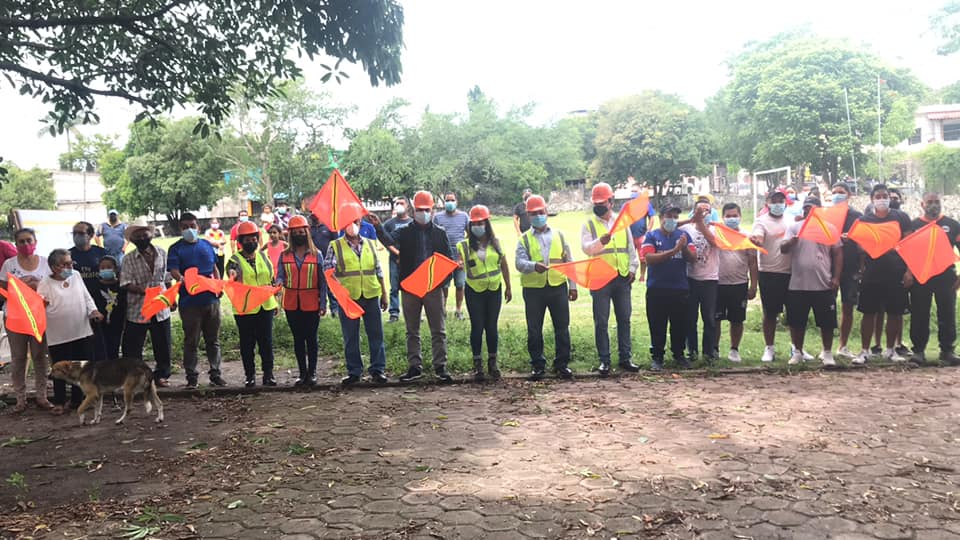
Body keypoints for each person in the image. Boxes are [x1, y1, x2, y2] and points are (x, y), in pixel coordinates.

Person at [372, 190, 454, 383]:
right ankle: (414, 367)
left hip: (433, 288)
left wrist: (444, 285)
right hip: (410, 287)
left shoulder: (440, 233)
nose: (422, 212)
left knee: (439, 330)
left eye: (426, 209)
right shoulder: (404, 231)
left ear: (432, 210)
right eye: (419, 209)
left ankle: (440, 367)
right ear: (413, 209)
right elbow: (389, 241)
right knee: (412, 330)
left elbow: (448, 260)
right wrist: (378, 227)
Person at [515, 195, 578, 381]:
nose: (538, 216)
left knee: (562, 327)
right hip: (534, 290)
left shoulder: (559, 235)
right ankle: (537, 365)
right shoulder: (524, 239)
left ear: (546, 211)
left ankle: (562, 364)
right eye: (534, 214)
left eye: (540, 212)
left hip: (557, 287)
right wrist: (534, 266)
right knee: (534, 329)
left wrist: (572, 286)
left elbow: (569, 261)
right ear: (528, 215)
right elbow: (519, 263)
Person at [581, 182, 640, 376]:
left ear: (611, 201)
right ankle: (604, 361)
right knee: (602, 321)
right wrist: (601, 242)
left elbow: (631, 249)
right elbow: (587, 248)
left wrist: (632, 268)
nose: (599, 206)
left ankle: (625, 358)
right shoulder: (589, 224)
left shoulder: (621, 222)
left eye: (602, 202)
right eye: (596, 202)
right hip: (600, 279)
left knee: (624, 319)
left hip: (622, 278)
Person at [326, 210, 389, 385]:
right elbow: (328, 271)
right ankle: (354, 372)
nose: (352, 225)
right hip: (348, 298)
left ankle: (378, 370)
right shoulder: (335, 245)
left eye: (355, 220)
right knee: (350, 336)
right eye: (348, 221)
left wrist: (384, 294)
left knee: (376, 334)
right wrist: (339, 293)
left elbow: (378, 270)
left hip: (371, 294)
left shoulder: (369, 243)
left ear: (360, 222)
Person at [39, 249, 103, 414]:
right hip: (58, 333)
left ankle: (78, 400)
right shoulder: (45, 283)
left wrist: (93, 311)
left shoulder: (75, 275)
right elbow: (40, 305)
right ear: (54, 267)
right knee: (59, 369)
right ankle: (59, 401)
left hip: (80, 329)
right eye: (64, 264)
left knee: (81, 368)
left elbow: (86, 296)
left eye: (70, 262)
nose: (70, 266)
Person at [854, 184, 913, 365]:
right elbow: (860, 247)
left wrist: (909, 271)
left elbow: (910, 244)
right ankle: (864, 351)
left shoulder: (901, 217)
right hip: (872, 273)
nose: (882, 199)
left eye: (885, 196)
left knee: (895, 313)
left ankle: (891, 350)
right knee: (869, 313)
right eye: (878, 196)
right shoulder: (864, 220)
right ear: (872, 199)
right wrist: (862, 266)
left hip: (896, 272)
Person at [780, 197, 843, 366]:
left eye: (812, 208)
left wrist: (836, 277)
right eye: (806, 208)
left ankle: (827, 353)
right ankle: (798, 352)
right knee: (796, 321)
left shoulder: (830, 229)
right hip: (798, 283)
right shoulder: (794, 227)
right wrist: (790, 242)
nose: (809, 211)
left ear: (820, 210)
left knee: (827, 322)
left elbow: (837, 253)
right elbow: (783, 249)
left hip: (823, 283)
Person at [168, 212, 226, 388]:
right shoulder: (176, 248)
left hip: (211, 300)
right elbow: (174, 270)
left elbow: (214, 267)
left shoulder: (207, 245)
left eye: (192, 226)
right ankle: (191, 377)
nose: (189, 229)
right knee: (191, 341)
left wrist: (218, 285)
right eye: (185, 227)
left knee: (213, 340)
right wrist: (182, 279)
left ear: (198, 227)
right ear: (180, 229)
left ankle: (215, 374)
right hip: (189, 303)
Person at [0, 228, 54, 413]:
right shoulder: (9, 264)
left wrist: (37, 284)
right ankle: (20, 399)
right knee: (18, 357)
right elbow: (3, 288)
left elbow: (51, 287)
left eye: (29, 240)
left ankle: (42, 396)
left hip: (38, 316)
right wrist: (20, 283)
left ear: (35, 242)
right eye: (21, 241)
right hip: (15, 317)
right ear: (16, 244)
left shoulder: (45, 263)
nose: (25, 245)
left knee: (40, 356)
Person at [458, 205, 512, 381]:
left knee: (491, 327)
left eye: (481, 222)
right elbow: (458, 262)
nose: (478, 226)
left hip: (494, 289)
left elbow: (504, 265)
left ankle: (492, 362)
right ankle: (477, 365)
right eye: (474, 223)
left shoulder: (496, 243)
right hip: (474, 291)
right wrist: (458, 264)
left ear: (487, 223)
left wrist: (508, 286)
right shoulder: (463, 246)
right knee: (477, 326)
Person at [641, 204, 697, 371]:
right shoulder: (651, 236)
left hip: (679, 288)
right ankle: (657, 357)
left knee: (679, 324)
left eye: (675, 217)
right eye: (669, 216)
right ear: (661, 218)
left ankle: (679, 355)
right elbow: (649, 258)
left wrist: (683, 247)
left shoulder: (683, 236)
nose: (672, 220)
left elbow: (693, 258)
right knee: (657, 324)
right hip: (657, 289)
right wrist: (673, 251)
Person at [908, 192, 960, 365]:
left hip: (946, 277)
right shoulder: (914, 225)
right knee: (919, 313)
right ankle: (918, 351)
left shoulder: (952, 225)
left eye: (937, 202)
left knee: (947, 313)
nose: (934, 205)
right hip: (921, 277)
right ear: (922, 204)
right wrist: (908, 273)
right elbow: (906, 253)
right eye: (930, 202)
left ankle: (947, 351)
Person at [121, 220, 173, 386]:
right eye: (138, 235)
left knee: (163, 343)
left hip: (160, 306)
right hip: (138, 309)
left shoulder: (162, 253)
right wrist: (146, 292)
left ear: (150, 235)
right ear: (133, 239)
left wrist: (171, 298)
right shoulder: (128, 259)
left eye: (145, 234)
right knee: (133, 347)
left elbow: (167, 278)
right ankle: (136, 377)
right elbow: (125, 283)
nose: (142, 237)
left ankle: (161, 375)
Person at [228, 221, 278, 387]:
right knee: (247, 343)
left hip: (266, 305)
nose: (251, 242)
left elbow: (271, 279)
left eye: (253, 238)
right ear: (241, 242)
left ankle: (268, 374)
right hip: (245, 308)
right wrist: (233, 275)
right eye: (247, 239)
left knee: (266, 342)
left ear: (258, 239)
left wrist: (275, 301)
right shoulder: (234, 259)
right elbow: (231, 275)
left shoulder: (264, 256)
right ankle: (250, 376)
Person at [276, 216, 322, 386]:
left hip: (312, 302)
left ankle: (313, 372)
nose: (298, 235)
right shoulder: (284, 255)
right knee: (298, 338)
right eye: (295, 233)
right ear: (290, 234)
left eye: (301, 232)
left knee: (311, 338)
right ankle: (302, 373)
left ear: (307, 232)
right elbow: (280, 274)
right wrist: (279, 282)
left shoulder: (317, 255)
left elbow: (323, 283)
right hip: (291, 303)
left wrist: (323, 304)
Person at [750, 190, 792, 363]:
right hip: (769, 272)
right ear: (767, 202)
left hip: (791, 272)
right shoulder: (761, 221)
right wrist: (757, 241)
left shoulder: (791, 220)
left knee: (795, 313)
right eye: (774, 201)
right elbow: (758, 236)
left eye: (780, 200)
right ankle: (769, 348)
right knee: (770, 313)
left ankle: (797, 348)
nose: (778, 204)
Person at [715, 203, 757, 363]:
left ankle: (734, 349)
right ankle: (715, 348)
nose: (732, 218)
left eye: (734, 215)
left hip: (739, 283)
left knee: (737, 319)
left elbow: (753, 262)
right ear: (723, 217)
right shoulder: (717, 234)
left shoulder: (747, 237)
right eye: (728, 216)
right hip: (718, 283)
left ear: (740, 216)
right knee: (716, 319)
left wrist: (753, 285)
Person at [681, 199, 720, 362]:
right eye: (700, 211)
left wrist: (700, 223)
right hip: (691, 279)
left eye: (707, 211)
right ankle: (692, 351)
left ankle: (709, 352)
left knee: (709, 318)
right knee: (690, 318)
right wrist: (690, 220)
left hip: (710, 280)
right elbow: (668, 226)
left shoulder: (716, 229)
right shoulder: (687, 229)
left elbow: (714, 242)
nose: (704, 214)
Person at [830, 182, 864, 359]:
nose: (837, 195)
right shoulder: (826, 215)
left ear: (848, 195)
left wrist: (852, 239)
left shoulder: (857, 217)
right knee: (827, 307)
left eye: (841, 192)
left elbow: (864, 242)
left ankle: (842, 345)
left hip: (851, 266)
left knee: (848, 307)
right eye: (834, 192)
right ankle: (825, 347)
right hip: (828, 267)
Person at [69, 221, 108, 360]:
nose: (77, 236)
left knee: (101, 340)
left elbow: (113, 274)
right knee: (82, 341)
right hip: (76, 303)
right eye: (74, 233)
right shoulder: (69, 255)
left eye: (81, 233)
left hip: (100, 302)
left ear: (91, 235)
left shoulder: (101, 253)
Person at [433, 191, 469, 319]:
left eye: (452, 200)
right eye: (447, 200)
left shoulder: (464, 216)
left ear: (456, 202)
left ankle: (458, 310)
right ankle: (443, 309)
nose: (450, 203)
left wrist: (464, 256)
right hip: (443, 257)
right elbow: (433, 235)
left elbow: (470, 235)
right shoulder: (437, 217)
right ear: (444, 202)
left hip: (460, 258)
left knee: (460, 285)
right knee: (444, 286)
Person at [381, 198, 413, 322]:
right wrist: (398, 253)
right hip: (395, 259)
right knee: (394, 287)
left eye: (401, 203)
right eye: (397, 204)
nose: (399, 205)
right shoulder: (389, 224)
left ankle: (412, 312)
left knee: (411, 287)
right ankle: (394, 313)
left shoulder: (413, 222)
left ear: (407, 206)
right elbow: (385, 240)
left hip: (410, 260)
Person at [308, 211, 340, 318]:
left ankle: (335, 309)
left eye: (315, 212)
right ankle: (320, 308)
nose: (314, 215)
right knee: (319, 286)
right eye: (311, 213)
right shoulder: (309, 230)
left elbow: (337, 243)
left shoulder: (329, 227)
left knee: (331, 285)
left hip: (329, 261)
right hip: (315, 262)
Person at [95, 256, 124, 360]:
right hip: (100, 325)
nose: (105, 270)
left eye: (109, 267)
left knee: (114, 349)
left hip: (117, 324)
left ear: (115, 269)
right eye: (102, 268)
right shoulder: (94, 286)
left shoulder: (122, 286)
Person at [627, 185, 657, 282]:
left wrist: (648, 230)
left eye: (635, 192)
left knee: (643, 257)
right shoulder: (627, 205)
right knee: (629, 257)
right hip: (629, 236)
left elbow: (652, 217)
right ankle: (630, 274)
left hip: (641, 235)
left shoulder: (646, 204)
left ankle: (642, 276)